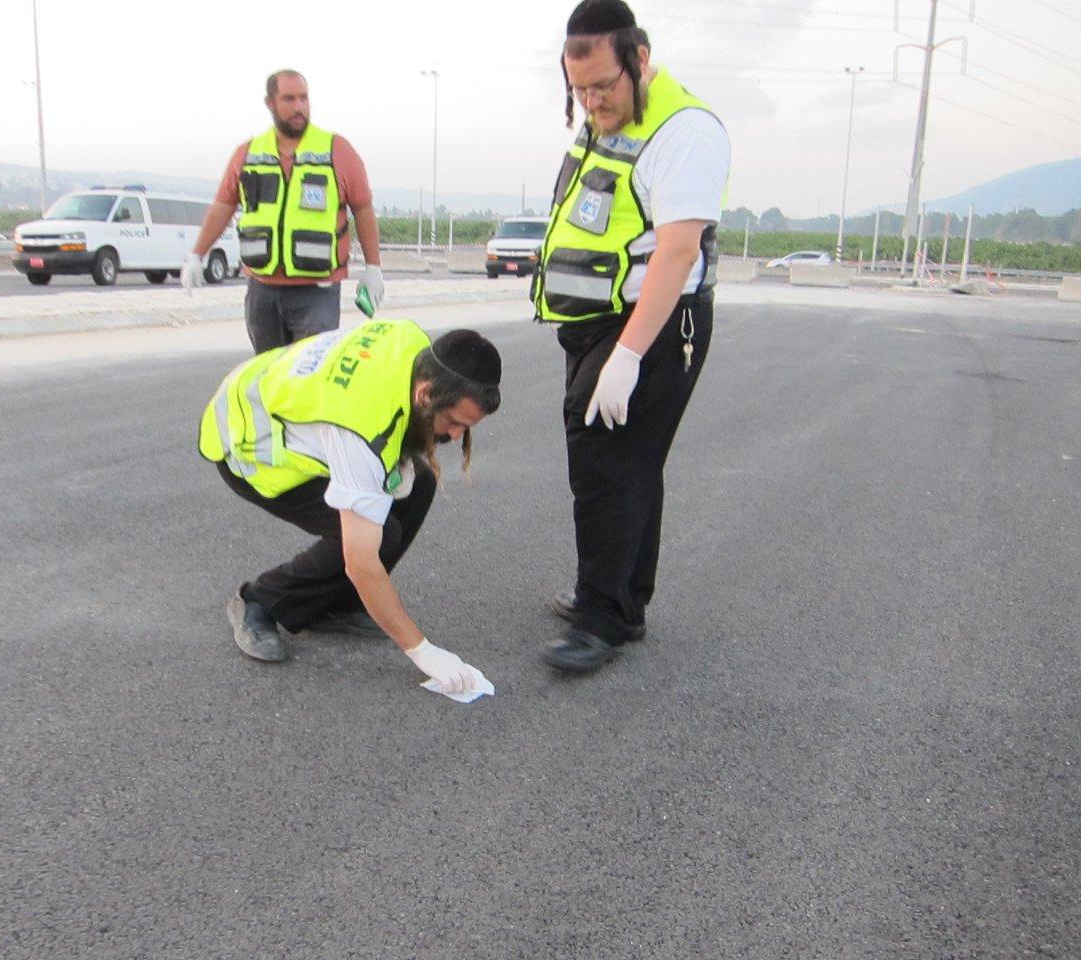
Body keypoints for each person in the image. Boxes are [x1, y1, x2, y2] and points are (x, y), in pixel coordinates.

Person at [531, 0, 731, 673]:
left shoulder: (685, 129)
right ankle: (621, 599)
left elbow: (676, 254)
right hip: (597, 325)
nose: (591, 101)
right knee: (630, 461)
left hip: (650, 324)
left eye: (603, 86)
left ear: (639, 59)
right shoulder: (606, 118)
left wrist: (626, 355)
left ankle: (602, 618)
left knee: (606, 463)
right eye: (578, 89)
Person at [198, 319, 502, 694]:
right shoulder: (360, 430)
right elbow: (361, 562)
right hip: (249, 446)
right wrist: (422, 651)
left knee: (419, 482)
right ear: (425, 394)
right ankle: (260, 600)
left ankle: (333, 604)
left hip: (280, 400)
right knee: (377, 537)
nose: (455, 437)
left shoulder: (413, 344)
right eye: (453, 422)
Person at [182, 70, 385, 354]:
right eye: (289, 99)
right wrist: (197, 254)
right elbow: (223, 206)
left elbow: (362, 208)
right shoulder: (248, 153)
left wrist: (373, 268)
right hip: (262, 292)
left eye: (304, 98)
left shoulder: (337, 150)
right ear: (270, 103)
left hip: (317, 292)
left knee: (310, 378)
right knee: (269, 378)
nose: (299, 107)